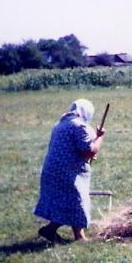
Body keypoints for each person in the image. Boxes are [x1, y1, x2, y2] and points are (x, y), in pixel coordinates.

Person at [34, 99, 105, 242]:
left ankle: (52, 231)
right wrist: (100, 137)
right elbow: (89, 150)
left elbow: (77, 149)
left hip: (54, 170)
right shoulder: (78, 125)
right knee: (77, 201)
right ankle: (77, 236)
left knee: (68, 202)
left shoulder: (61, 123)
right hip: (67, 173)